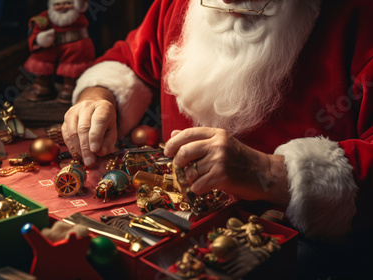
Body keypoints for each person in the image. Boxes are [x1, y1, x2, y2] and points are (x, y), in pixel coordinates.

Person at [62, 0, 373, 278]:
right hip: (174, 217)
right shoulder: (176, 5)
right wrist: (98, 97)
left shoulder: (357, 15)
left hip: (299, 244)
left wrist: (268, 172)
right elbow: (130, 60)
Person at [22, 0, 94, 103]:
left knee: (73, 65)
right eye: (58, 4)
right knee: (41, 60)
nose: (62, 7)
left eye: (68, 3)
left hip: (73, 46)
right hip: (50, 46)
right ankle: (42, 86)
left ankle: (70, 87)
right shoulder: (43, 18)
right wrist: (39, 39)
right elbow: (35, 30)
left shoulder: (78, 16)